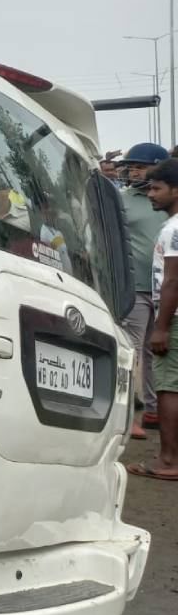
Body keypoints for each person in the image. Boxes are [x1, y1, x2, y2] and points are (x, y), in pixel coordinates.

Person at [119, 142, 170, 439]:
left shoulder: (165, 201)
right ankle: (128, 418)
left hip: (164, 290)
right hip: (136, 287)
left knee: (156, 353)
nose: (133, 170)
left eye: (140, 166)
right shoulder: (123, 198)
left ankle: (153, 411)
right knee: (132, 353)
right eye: (131, 166)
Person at [135, 158, 178, 481]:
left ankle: (168, 460)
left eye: (157, 188)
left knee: (167, 389)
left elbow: (173, 280)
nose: (150, 194)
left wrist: (161, 327)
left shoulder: (174, 229)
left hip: (173, 318)